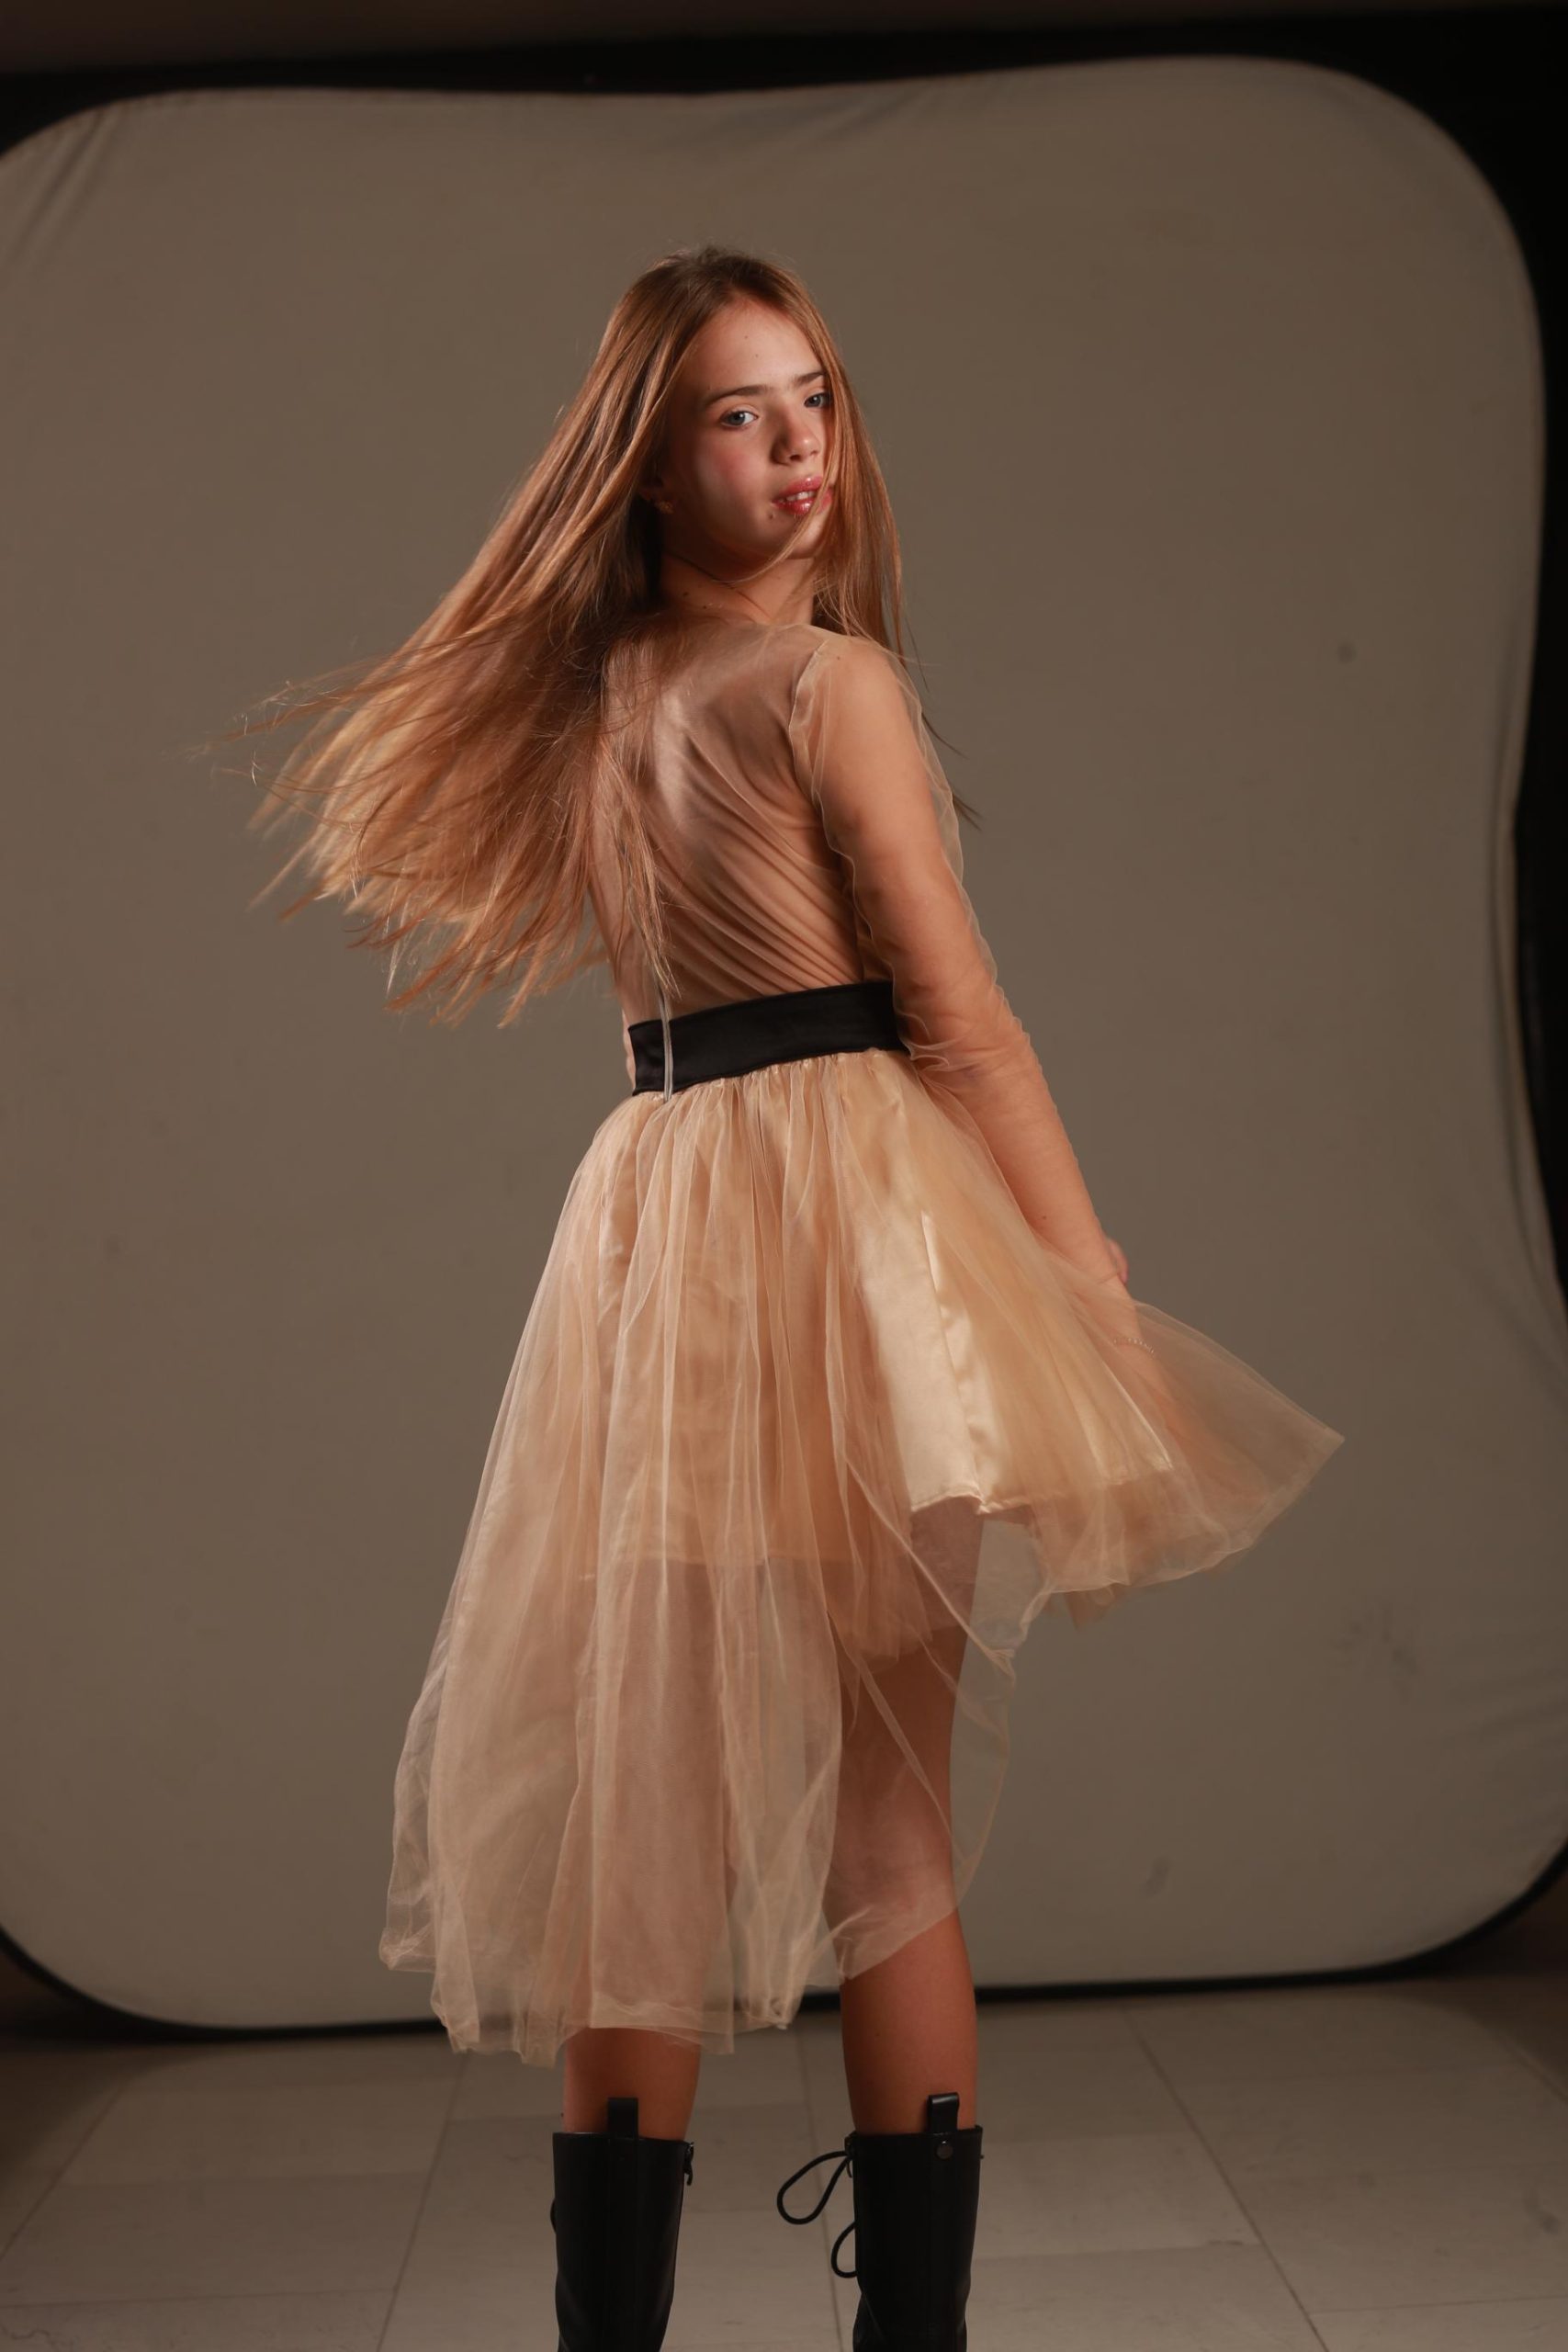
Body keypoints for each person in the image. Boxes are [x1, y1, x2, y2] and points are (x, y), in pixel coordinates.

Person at [223, 243, 1344, 2351]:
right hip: (854, 1234)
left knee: (640, 1832)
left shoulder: (603, 699)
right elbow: (959, 1016)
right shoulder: (829, 687)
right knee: (888, 1818)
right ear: (652, 465)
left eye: (811, 396)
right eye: (738, 414)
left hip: (660, 1236)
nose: (795, 445)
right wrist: (1083, 1274)